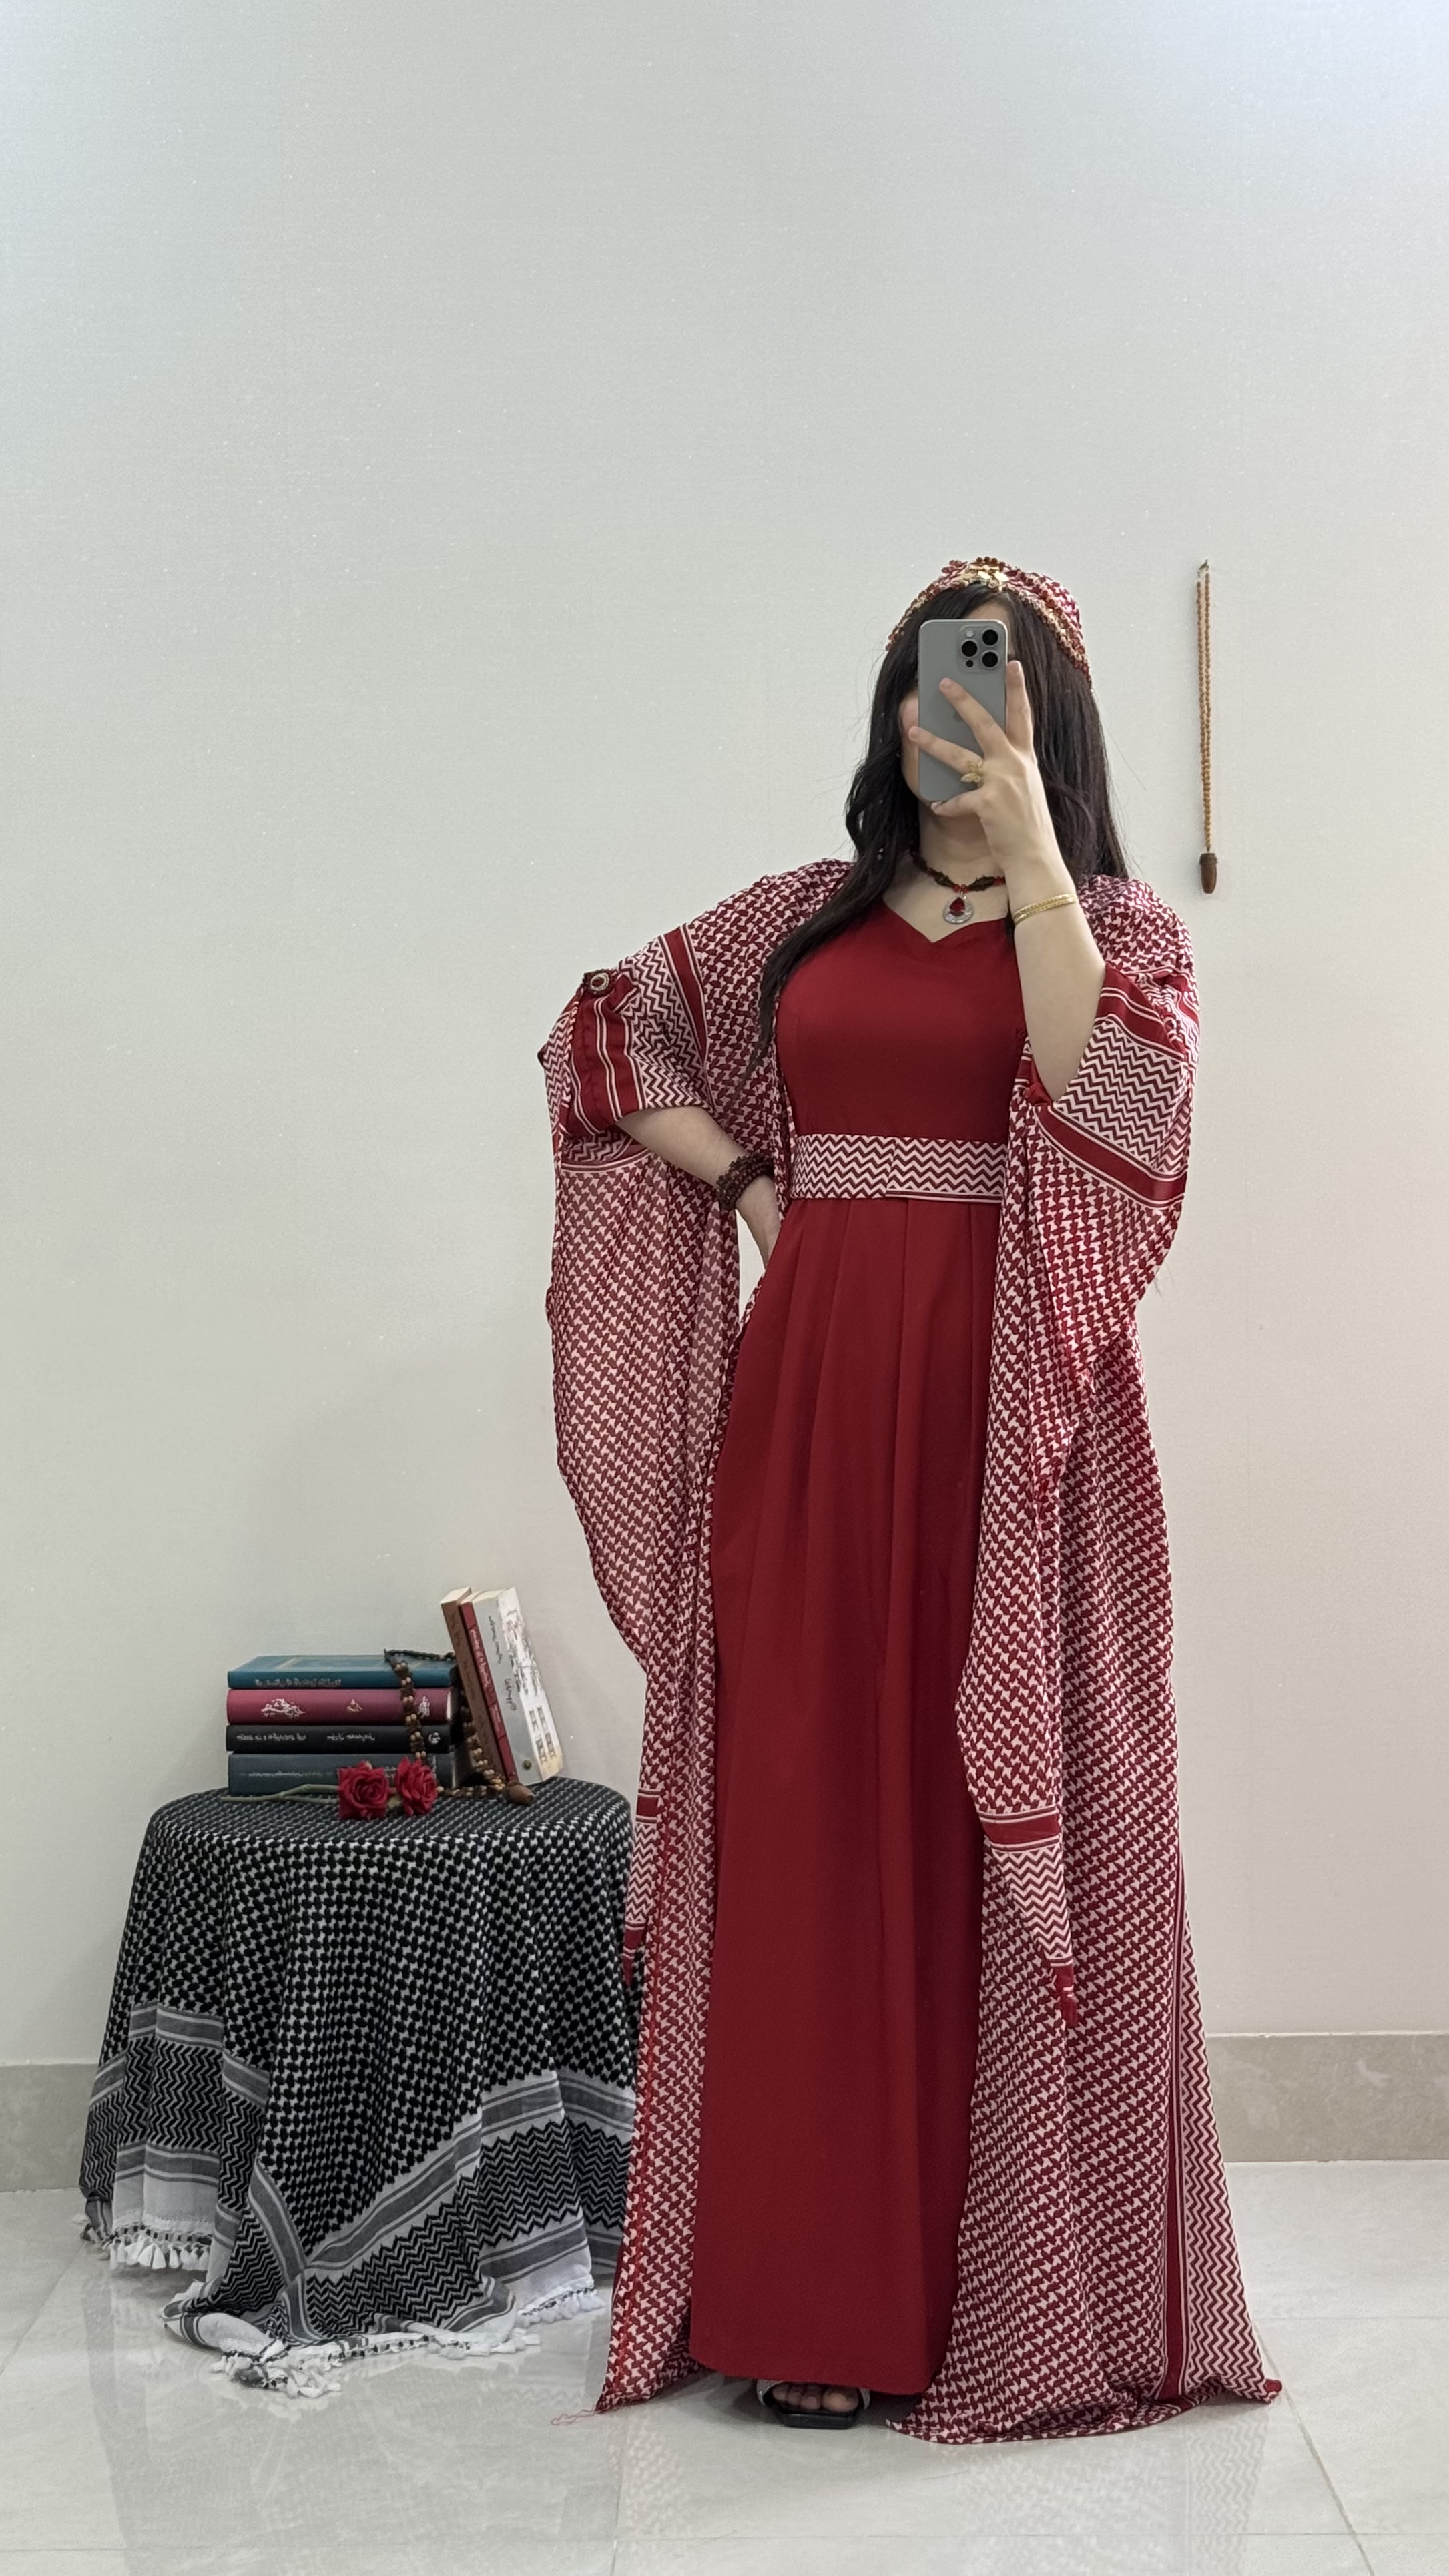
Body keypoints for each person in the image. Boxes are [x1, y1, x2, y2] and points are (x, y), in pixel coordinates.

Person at [537, 556, 1277, 2444]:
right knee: (808, 1812)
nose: (946, 713)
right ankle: (810, 2296)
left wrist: (1030, 842)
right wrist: (751, 1185)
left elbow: (1105, 1102)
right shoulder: (807, 919)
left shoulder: (1118, 928)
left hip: (1016, 1430)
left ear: (1049, 716)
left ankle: (997, 2293)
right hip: (810, 1411)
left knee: (987, 1804)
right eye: (925, 682)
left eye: (992, 684)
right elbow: (603, 1035)